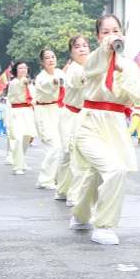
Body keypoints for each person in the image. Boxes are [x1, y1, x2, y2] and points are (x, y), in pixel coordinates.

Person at [69, 15, 140, 244]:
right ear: (98, 37)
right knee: (115, 170)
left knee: (96, 174)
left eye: (116, 31)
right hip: (89, 124)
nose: (112, 35)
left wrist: (123, 68)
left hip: (115, 126)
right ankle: (103, 225)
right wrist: (108, 49)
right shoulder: (94, 59)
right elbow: (95, 64)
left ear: (122, 34)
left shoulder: (129, 65)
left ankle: (80, 215)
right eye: (106, 32)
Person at [58, 35, 89, 206]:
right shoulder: (73, 69)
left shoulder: (90, 66)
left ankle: (66, 191)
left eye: (85, 45)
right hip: (70, 115)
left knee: (77, 154)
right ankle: (69, 193)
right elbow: (82, 80)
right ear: (71, 53)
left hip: (85, 116)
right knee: (70, 153)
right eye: (77, 47)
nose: (82, 49)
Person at [33, 49, 66, 190]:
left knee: (63, 146)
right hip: (44, 112)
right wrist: (55, 81)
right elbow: (48, 84)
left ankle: (57, 177)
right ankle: (44, 180)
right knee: (54, 146)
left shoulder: (60, 72)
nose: (51, 60)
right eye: (47, 58)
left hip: (58, 111)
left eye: (53, 57)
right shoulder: (41, 77)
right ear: (42, 62)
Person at [8, 62, 38, 175]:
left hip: (28, 111)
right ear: (15, 70)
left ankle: (21, 161)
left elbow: (34, 97)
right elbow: (20, 86)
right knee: (18, 138)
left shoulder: (30, 85)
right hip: (17, 111)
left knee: (27, 137)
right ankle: (17, 166)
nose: (23, 70)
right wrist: (25, 82)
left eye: (25, 68)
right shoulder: (14, 82)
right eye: (20, 68)